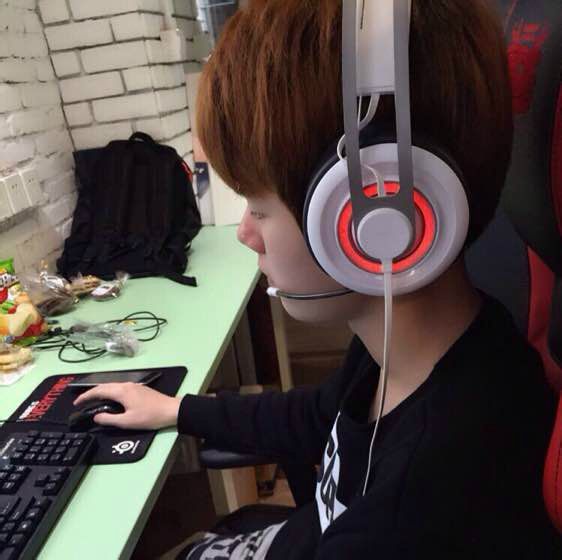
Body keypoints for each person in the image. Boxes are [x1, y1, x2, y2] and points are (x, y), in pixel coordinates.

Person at [73, 0, 562, 558]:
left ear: (378, 216)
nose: (245, 234)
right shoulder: (409, 347)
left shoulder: (420, 507)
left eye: (258, 208)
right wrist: (177, 410)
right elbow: (320, 414)